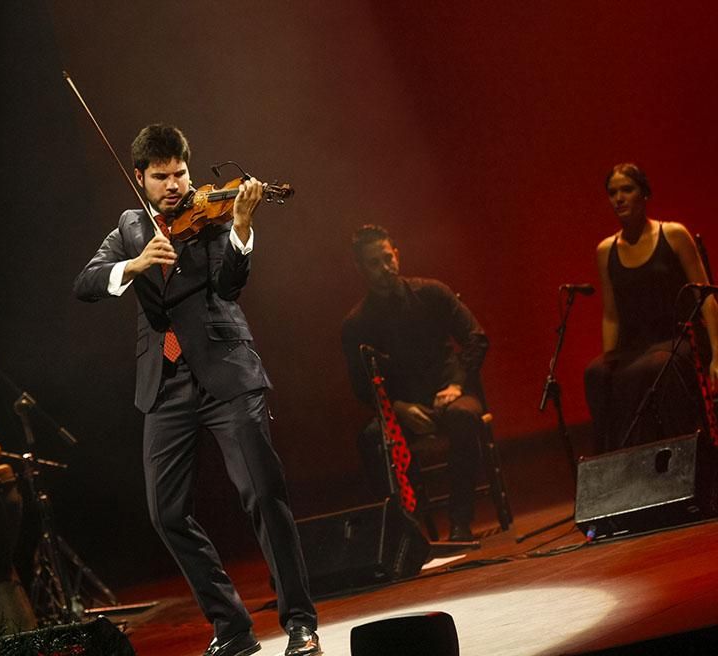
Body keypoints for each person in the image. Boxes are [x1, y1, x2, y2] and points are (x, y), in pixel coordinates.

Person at [74, 124, 319, 656]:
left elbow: (229, 285)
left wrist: (243, 226)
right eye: (161, 176)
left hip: (226, 372)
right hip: (164, 386)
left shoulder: (213, 216)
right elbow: (86, 283)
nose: (174, 185)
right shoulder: (130, 228)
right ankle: (232, 626)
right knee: (166, 513)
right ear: (140, 178)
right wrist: (134, 265)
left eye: (180, 173)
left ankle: (299, 621)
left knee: (263, 495)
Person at [341, 225, 489, 542]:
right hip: (404, 407)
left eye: (387, 258)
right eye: (374, 263)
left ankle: (460, 522)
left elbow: (476, 337)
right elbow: (359, 384)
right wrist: (396, 408)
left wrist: (457, 385)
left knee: (463, 417)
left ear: (397, 254)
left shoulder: (431, 292)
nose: (385, 268)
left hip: (450, 394)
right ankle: (406, 532)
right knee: (370, 439)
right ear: (360, 269)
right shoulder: (357, 322)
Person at [584, 163, 718, 453]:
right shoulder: (606, 250)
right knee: (596, 374)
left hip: (677, 338)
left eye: (627, 190)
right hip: (635, 345)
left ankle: (680, 456)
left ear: (644, 193)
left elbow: (705, 295)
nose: (618, 198)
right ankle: (617, 461)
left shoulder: (673, 234)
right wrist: (610, 360)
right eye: (612, 192)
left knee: (654, 367)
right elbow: (611, 314)